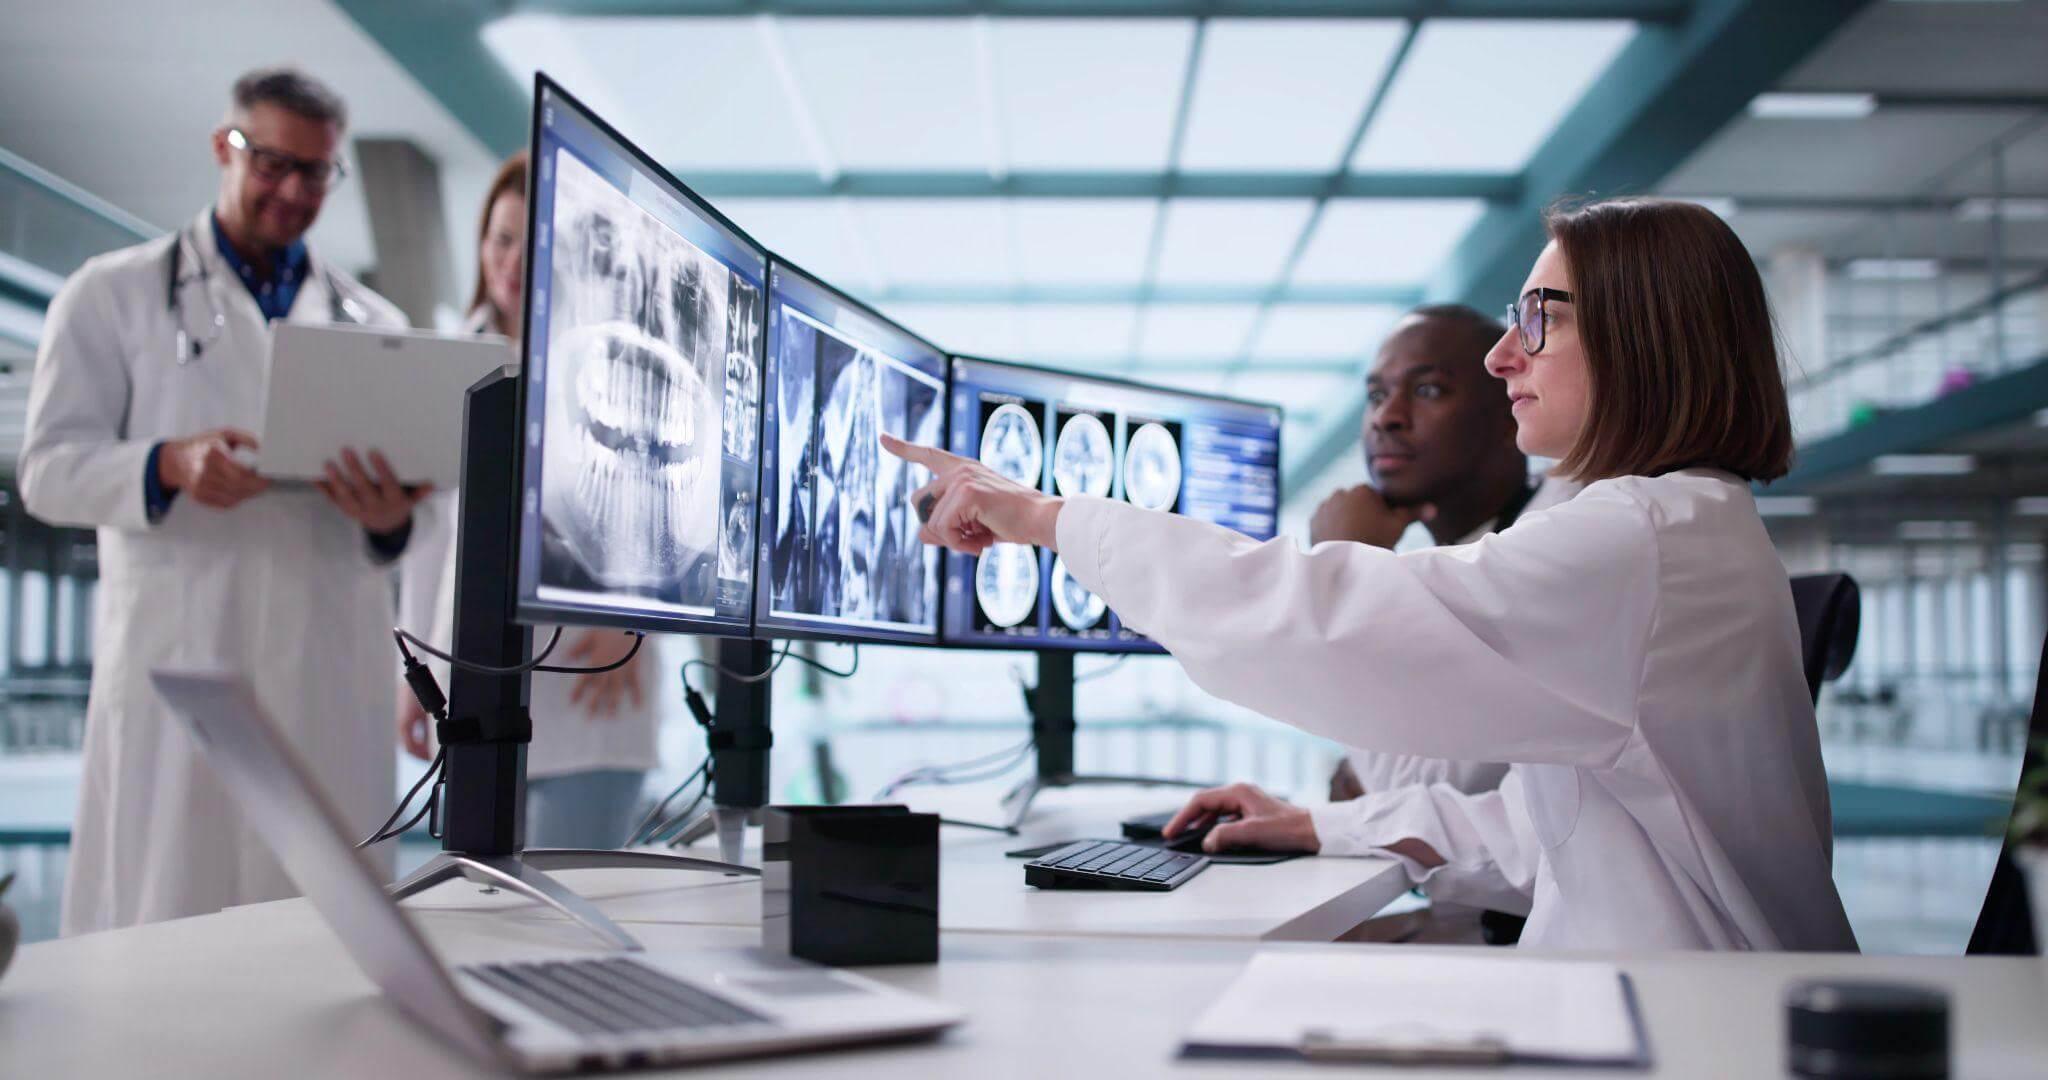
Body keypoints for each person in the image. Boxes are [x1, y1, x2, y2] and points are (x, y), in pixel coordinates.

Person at [887, 197, 1858, 952]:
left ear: (1641, 337)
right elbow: (1541, 831)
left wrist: (1049, 518)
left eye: (1537, 319)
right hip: (1670, 996)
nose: (1498, 354)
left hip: (1693, 1030)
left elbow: (1332, 628)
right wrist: (1321, 823)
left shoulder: (1637, 534)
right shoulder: (1678, 524)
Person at [22, 69, 425, 935]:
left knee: (321, 946)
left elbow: (406, 531)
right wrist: (166, 464)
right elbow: (47, 472)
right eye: (273, 163)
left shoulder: (374, 324)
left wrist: (387, 515)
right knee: (166, 928)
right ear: (224, 147)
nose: (293, 191)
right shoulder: (111, 293)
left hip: (328, 675)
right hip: (183, 662)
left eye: (315, 174)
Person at [395, 152, 657, 848]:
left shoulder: (623, 367)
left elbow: (663, 518)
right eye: (501, 238)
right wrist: (415, 669)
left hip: (588, 692)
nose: (511, 261)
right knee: (484, 920)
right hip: (472, 691)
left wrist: (630, 620)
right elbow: (434, 538)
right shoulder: (451, 361)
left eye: (535, 244)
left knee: (572, 908)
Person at [1310, 304, 1577, 805]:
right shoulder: (1468, 555)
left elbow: (1410, 794)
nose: (1387, 417)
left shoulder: (1553, 542)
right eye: (1376, 395)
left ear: (1510, 405)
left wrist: (1345, 564)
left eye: (1428, 389)